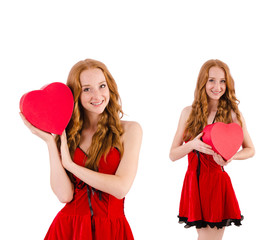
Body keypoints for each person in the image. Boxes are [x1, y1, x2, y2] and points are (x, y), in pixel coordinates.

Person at [20, 59, 142, 240]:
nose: (97, 95)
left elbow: (121, 188)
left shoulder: (130, 130)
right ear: (76, 94)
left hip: (111, 230)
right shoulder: (66, 135)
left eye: (102, 86)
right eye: (87, 89)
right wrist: (50, 142)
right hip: (68, 229)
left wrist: (71, 165)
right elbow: (64, 195)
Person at [169, 59, 255, 240]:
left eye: (222, 81)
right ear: (203, 83)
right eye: (212, 80)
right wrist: (192, 145)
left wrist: (231, 158)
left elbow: (250, 149)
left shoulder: (232, 114)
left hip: (216, 182)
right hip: (193, 182)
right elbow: (173, 154)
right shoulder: (188, 113)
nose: (217, 86)